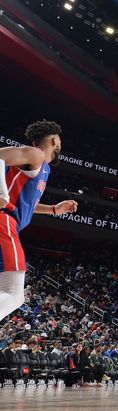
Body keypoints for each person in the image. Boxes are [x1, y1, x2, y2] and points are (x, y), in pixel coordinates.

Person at [0, 120, 78, 320]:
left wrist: (53, 209)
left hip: (8, 222)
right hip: (4, 221)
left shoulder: (43, 168)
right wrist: (1, 192)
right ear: (53, 140)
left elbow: (27, 204)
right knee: (13, 294)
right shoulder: (36, 154)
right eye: (59, 141)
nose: (60, 145)